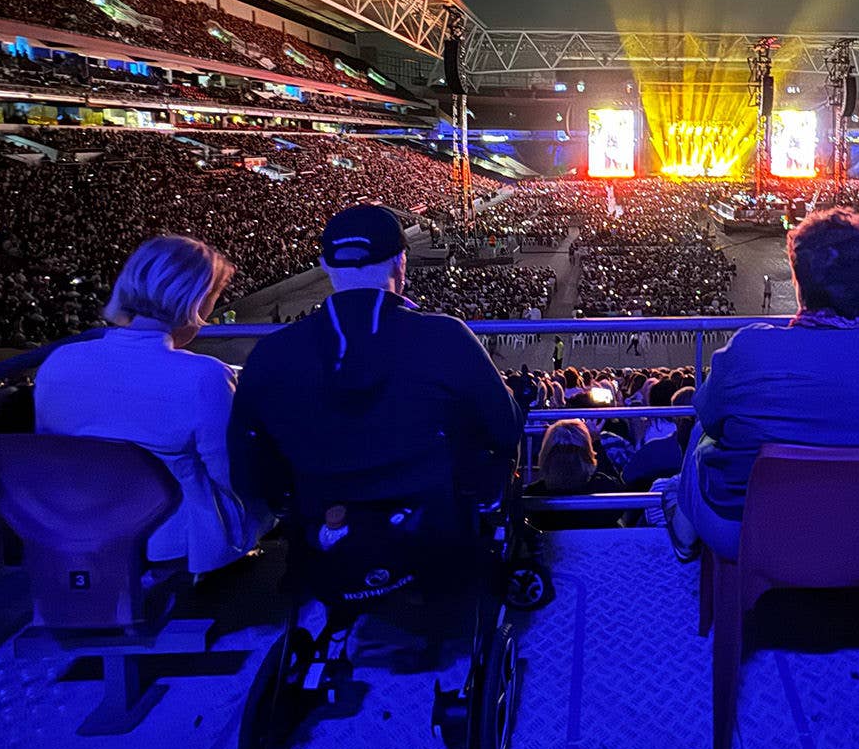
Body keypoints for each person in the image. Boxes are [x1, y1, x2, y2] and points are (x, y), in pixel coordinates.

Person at [661, 208, 859, 562]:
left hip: (755, 539)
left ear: (797, 280)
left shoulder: (750, 348)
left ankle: (684, 537)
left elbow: (712, 421)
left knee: (703, 427)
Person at [228, 205, 524, 524]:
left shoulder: (271, 353)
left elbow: (249, 475)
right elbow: (505, 431)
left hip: (321, 548)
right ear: (401, 262)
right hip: (434, 545)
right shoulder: (447, 337)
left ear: (325, 265)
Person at [35, 235, 266, 573]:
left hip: (83, 531)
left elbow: (54, 454)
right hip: (175, 540)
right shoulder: (203, 376)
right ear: (197, 301)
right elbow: (232, 477)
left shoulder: (59, 361)